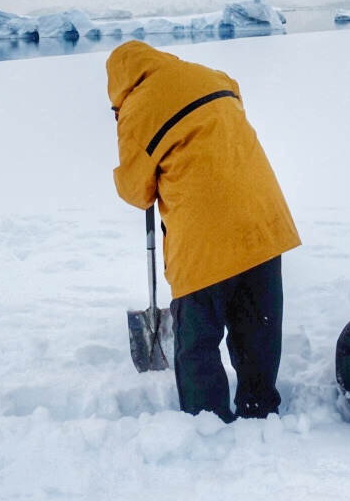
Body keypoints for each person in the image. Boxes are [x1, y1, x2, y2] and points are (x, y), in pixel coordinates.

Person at [106, 40, 301, 421]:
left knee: (197, 339)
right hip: (263, 224)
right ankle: (260, 405)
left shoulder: (136, 110)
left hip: (202, 244)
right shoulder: (211, 76)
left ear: (119, 84)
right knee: (257, 326)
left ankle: (206, 420)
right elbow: (233, 96)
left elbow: (135, 191)